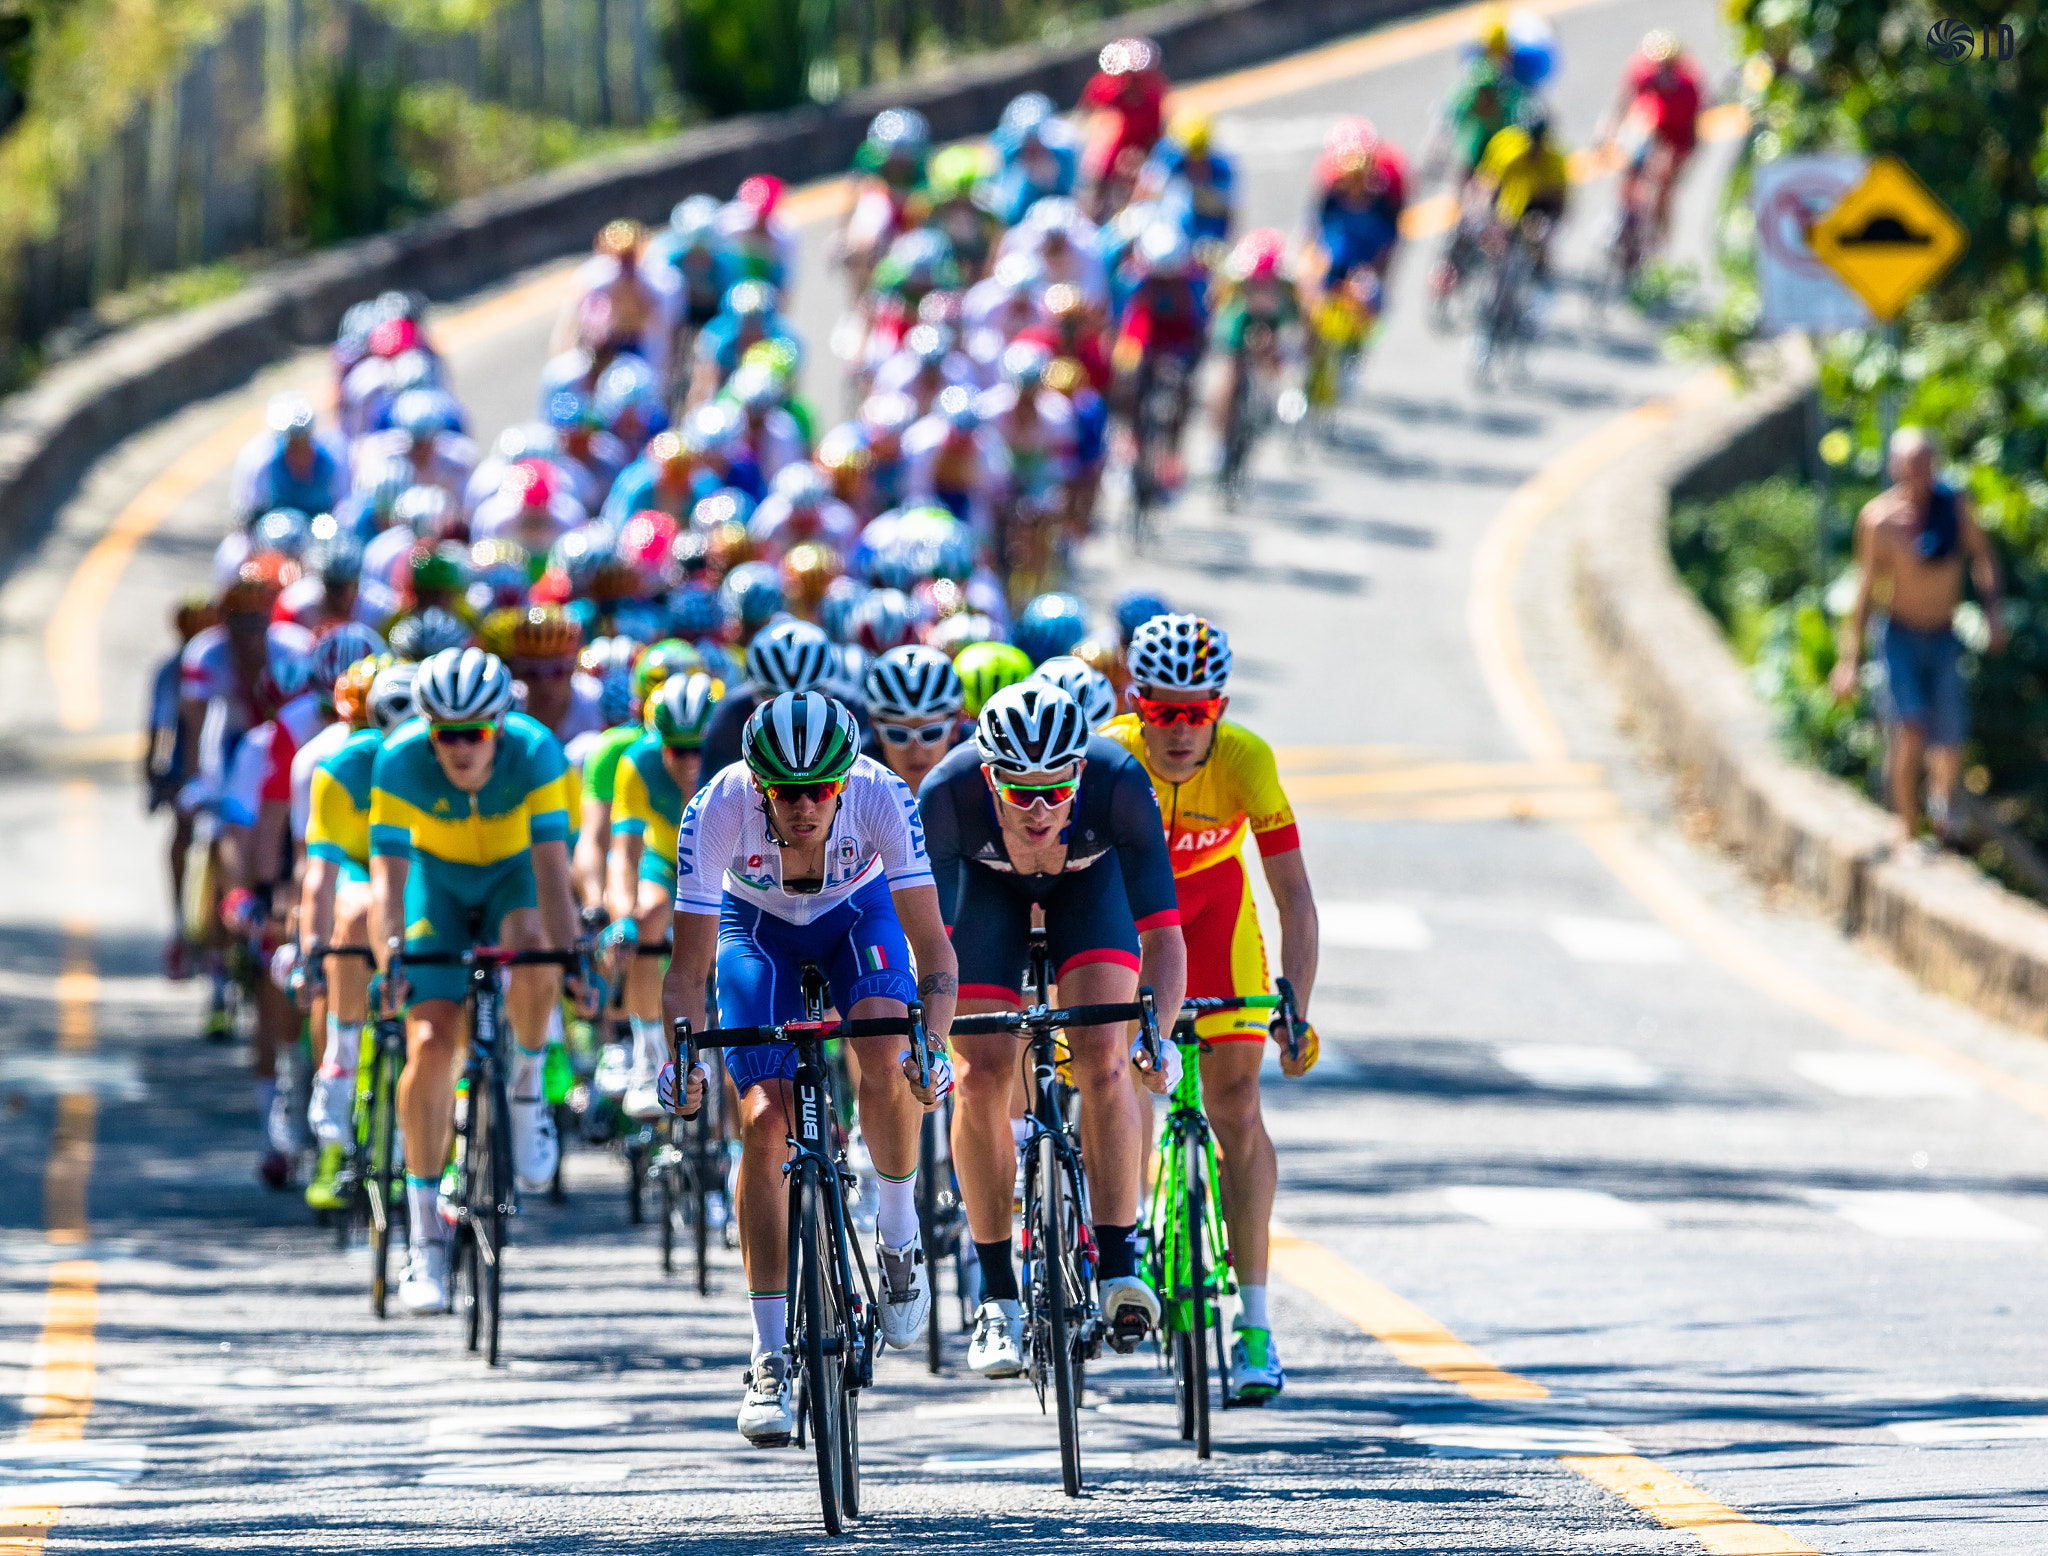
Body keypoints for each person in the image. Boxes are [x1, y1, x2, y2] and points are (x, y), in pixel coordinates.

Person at [660, 691, 957, 1444]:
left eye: (819, 790)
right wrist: (681, 1059)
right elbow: (688, 972)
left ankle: (896, 1233)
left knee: (886, 1053)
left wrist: (934, 1045)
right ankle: (767, 1356)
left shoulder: (881, 793)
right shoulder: (717, 804)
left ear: (843, 781)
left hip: (859, 917)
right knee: (763, 1122)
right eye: (785, 793)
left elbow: (936, 956)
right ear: (759, 784)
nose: (802, 807)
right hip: (755, 929)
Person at [918, 682, 1187, 1377]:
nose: (1039, 810)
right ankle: (997, 1299)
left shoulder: (1120, 782)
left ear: (1081, 772)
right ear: (988, 776)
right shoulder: (947, 794)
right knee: (979, 1075)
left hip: (1088, 891)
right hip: (986, 898)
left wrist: (1154, 1037)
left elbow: (1163, 935)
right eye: (1018, 790)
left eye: (1055, 788)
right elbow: (932, 944)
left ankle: (1119, 1267)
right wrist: (928, 1042)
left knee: (1104, 1058)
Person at [1100, 614, 1320, 1402]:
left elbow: (1293, 896)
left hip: (1218, 923)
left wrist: (1296, 1008)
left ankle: (1255, 1324)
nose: (1185, 729)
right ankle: (1114, 1253)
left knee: (1237, 1106)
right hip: (1131, 926)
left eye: (1202, 711)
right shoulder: (1111, 751)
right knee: (1112, 1083)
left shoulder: (1246, 759)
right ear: (1139, 703)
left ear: (1220, 709)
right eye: (1167, 711)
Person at [369, 648, 587, 1316]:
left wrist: (571, 957)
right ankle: (426, 1238)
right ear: (427, 728)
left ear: (500, 724)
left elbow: (554, 873)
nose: (461, 747)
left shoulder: (538, 751)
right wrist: (391, 958)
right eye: (447, 733)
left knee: (535, 942)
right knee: (431, 1043)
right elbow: (388, 877)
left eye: (476, 732)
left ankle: (524, 1084)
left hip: (514, 880)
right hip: (437, 884)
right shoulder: (400, 758)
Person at [1830, 428, 2006, 850]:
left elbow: (1984, 557)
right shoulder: (1880, 520)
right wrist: (1849, 659)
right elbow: (1867, 589)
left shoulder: (1955, 507)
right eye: (1911, 467)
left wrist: (1992, 612)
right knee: (1909, 729)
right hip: (1900, 636)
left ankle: (1941, 806)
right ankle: (1907, 833)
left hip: (1945, 636)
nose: (1919, 475)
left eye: (1926, 466)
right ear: (1895, 469)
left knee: (1948, 739)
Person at [602, 671, 723, 1117]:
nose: (691, 761)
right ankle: (650, 1049)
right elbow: (624, 854)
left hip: (723, 864)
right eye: (678, 749)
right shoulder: (638, 762)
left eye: (700, 749)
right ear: (659, 742)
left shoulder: (733, 763)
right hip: (666, 862)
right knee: (646, 914)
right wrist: (622, 919)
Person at [1605, 29, 1704, 251]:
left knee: (1666, 184)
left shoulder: (1689, 85)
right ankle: (1623, 215)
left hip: (1676, 134)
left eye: (1669, 65)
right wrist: (1610, 131)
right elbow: (1623, 104)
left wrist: (1684, 156)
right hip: (1650, 127)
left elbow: (1693, 126)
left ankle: (1659, 232)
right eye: (1659, 65)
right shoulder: (1642, 74)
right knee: (1632, 166)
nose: (1663, 72)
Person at [863, 644, 967, 792]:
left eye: (931, 733)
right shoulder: (853, 776)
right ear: (875, 731)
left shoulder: (980, 774)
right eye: (898, 734)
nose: (916, 753)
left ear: (956, 726)